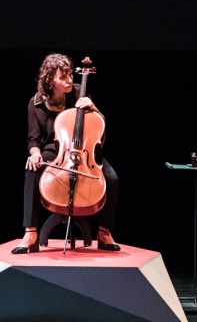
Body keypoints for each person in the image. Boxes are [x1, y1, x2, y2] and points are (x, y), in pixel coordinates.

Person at [12, 53, 120, 254]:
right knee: (31, 169)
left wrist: (94, 108)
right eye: (63, 77)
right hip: (55, 153)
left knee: (111, 179)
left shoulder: (79, 92)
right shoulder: (35, 103)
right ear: (49, 80)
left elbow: (98, 128)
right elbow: (33, 139)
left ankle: (104, 233)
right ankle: (30, 232)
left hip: (84, 150)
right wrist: (34, 154)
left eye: (70, 74)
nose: (70, 80)